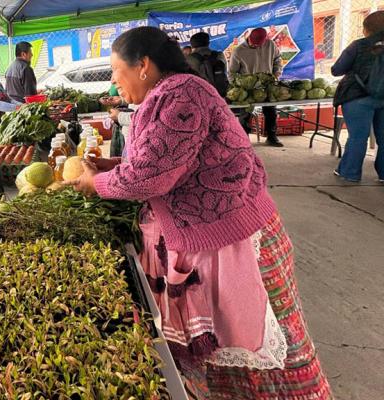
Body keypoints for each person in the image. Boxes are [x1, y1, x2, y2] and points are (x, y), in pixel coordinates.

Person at [66, 26, 332, 399]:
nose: (112, 81)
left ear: (143, 65)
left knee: (256, 356)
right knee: (225, 363)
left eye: (115, 70)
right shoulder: (168, 94)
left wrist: (97, 183)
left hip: (232, 242)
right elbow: (164, 160)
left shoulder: (181, 94)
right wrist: (114, 165)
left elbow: (149, 177)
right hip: (218, 237)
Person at [331, 11, 384, 183]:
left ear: (366, 29)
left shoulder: (359, 46)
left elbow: (336, 70)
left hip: (357, 97)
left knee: (358, 137)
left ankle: (350, 173)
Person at [230, 27, 284, 147]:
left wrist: (277, 73)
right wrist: (239, 88)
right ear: (249, 38)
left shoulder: (270, 45)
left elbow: (278, 60)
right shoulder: (239, 51)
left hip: (268, 86)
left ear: (265, 40)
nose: (257, 47)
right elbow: (232, 73)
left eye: (259, 44)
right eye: (254, 44)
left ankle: (271, 137)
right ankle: (244, 140)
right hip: (248, 89)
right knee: (245, 114)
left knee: (271, 112)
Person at [186, 32, 230, 97]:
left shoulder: (188, 59)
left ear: (192, 45)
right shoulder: (220, 55)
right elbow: (225, 72)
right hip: (220, 95)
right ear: (208, 43)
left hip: (199, 97)